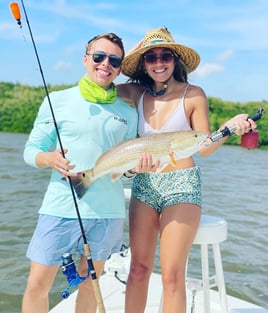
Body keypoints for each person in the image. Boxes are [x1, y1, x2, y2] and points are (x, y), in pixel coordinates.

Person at [117, 27, 257, 313]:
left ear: (175, 59)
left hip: (182, 186)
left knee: (170, 275)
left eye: (165, 55)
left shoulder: (193, 95)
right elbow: (96, 92)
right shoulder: (134, 92)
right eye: (151, 57)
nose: (159, 62)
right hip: (144, 187)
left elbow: (204, 146)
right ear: (143, 64)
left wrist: (228, 128)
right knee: (139, 270)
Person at [22, 33, 141, 313]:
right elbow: (30, 150)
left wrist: (133, 170)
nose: (105, 64)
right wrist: (48, 158)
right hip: (61, 207)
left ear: (120, 67)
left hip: (107, 213)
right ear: (85, 59)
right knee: (37, 284)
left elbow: (127, 170)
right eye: (99, 57)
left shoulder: (129, 112)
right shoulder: (59, 100)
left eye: (114, 60)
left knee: (91, 285)